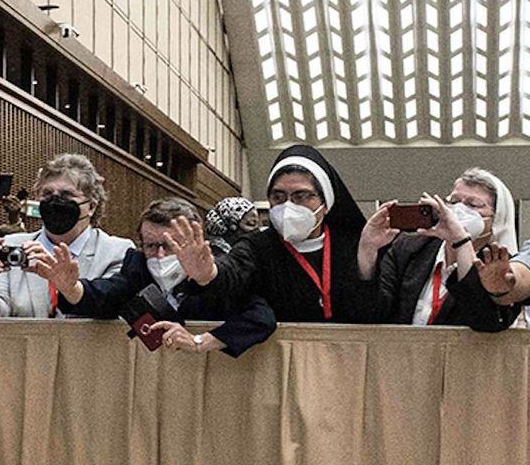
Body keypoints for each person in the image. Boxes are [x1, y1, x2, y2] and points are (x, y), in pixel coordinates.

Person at [38, 198, 277, 356]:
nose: (160, 255)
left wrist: (201, 341)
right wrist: (72, 288)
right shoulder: (137, 265)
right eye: (151, 245)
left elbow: (261, 317)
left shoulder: (218, 272)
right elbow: (108, 293)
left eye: (170, 245)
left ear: (194, 240)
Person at [183, 144, 368, 323]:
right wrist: (209, 273)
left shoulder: (351, 245)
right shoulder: (258, 246)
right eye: (278, 197)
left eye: (300, 196)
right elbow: (234, 269)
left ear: (325, 203)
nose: (288, 206)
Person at [353, 170, 521, 330]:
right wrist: (367, 249)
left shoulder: (502, 265)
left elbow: (484, 320)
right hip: (401, 357)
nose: (459, 210)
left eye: (473, 204)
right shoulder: (408, 247)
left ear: (496, 218)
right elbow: (370, 313)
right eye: (453, 201)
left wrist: (461, 242)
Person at [0, 154, 133, 318]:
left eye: (66, 195)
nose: (55, 201)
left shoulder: (117, 252)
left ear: (91, 206)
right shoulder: (12, 246)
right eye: (47, 194)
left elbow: (113, 310)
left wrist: (70, 288)